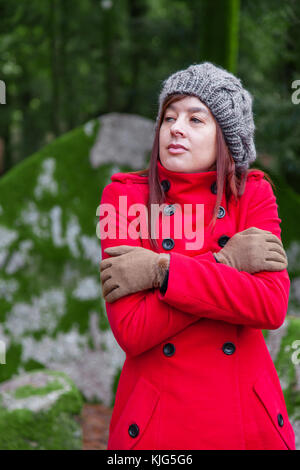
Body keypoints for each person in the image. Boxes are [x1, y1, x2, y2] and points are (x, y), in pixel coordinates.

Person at [99, 62, 296, 450]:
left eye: (195, 119)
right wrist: (224, 262)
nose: (175, 127)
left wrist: (161, 271)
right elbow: (133, 330)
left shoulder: (254, 194)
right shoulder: (122, 199)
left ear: (226, 137)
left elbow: (270, 306)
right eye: (169, 117)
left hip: (246, 423)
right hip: (160, 428)